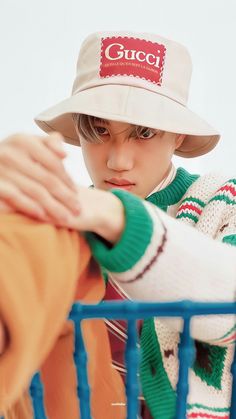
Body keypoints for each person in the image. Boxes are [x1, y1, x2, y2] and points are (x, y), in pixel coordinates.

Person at [0, 30, 235, 419]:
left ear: (178, 134)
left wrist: (114, 214)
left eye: (144, 132)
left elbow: (226, 308)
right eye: (98, 131)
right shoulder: (56, 225)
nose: (118, 161)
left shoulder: (221, 201)